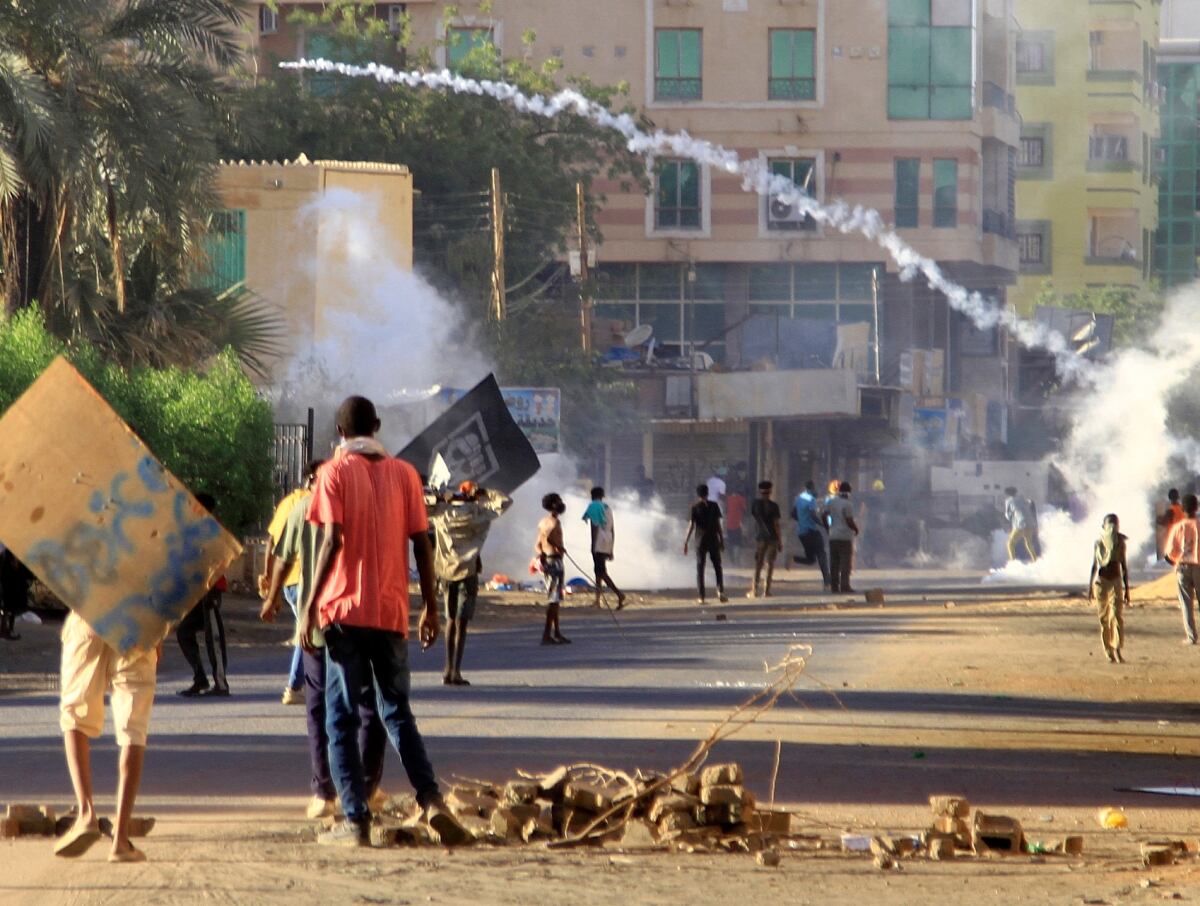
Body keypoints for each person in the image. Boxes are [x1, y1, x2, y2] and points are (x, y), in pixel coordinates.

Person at [300, 395, 468, 847]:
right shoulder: (405, 474)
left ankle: (355, 821)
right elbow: (422, 544)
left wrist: (311, 604)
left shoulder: (332, 474)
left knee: (340, 718)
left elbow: (332, 539)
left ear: (339, 433)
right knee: (397, 711)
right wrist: (431, 606)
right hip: (391, 612)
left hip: (342, 613)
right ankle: (431, 799)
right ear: (376, 426)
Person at [261, 457, 388, 821]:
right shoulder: (367, 506)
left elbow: (283, 558)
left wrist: (271, 599)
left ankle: (324, 793)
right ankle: (366, 787)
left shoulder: (302, 506)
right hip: (359, 619)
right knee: (365, 705)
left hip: (317, 624)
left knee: (319, 707)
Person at [55, 610, 159, 862]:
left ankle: (86, 813)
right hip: (139, 625)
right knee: (133, 730)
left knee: (75, 715)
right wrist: (159, 633)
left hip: (88, 617)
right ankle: (121, 840)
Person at [429, 480, 512, 682]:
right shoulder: (479, 513)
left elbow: (418, 501)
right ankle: (456, 670)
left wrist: (441, 497)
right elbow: (505, 501)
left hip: (446, 572)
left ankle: (447, 669)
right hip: (468, 572)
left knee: (450, 621)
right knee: (462, 624)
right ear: (473, 494)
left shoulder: (441, 513)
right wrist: (484, 492)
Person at [261, 467, 322, 705]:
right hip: (303, 578)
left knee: (305, 628)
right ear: (312, 479)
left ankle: (301, 684)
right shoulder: (310, 502)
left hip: (287, 580)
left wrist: (268, 577)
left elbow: (272, 541)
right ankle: (294, 685)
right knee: (306, 631)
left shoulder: (288, 502)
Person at [175, 493, 229, 697]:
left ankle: (221, 683)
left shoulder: (214, 528)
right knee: (184, 632)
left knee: (212, 637)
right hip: (195, 590)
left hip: (211, 589)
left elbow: (223, 557)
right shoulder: (192, 527)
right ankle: (200, 677)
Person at [1088, 513, 1129, 664]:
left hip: (1116, 582)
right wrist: (1089, 588)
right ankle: (1108, 650)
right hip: (1102, 581)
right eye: (1109, 524)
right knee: (1104, 618)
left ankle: (1117, 648)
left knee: (1116, 616)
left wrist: (1127, 589)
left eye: (1114, 524)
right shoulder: (1099, 543)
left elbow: (1123, 566)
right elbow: (1094, 565)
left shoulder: (1120, 543)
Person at [535, 493, 571, 645]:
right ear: (553, 504)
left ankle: (556, 632)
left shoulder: (542, 521)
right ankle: (546, 635)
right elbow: (547, 537)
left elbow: (537, 544)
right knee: (553, 600)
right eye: (559, 502)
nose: (561, 504)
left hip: (550, 561)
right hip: (554, 562)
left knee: (555, 600)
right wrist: (557, 547)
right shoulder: (554, 523)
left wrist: (541, 554)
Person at [581, 486, 626, 610]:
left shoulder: (594, 507)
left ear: (592, 496)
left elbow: (594, 527)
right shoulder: (608, 508)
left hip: (599, 541)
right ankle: (597, 600)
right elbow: (612, 529)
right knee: (598, 572)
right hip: (608, 539)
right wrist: (611, 548)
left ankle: (619, 594)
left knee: (601, 572)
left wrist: (593, 544)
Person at [1165, 493, 1200, 646]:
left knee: (1186, 603)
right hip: (1199, 566)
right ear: (1197, 508)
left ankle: (1191, 637)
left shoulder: (1178, 527)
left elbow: (1169, 553)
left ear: (1183, 508)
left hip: (1183, 567)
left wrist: (1176, 562)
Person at [684, 484, 728, 605]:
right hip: (713, 540)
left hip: (700, 541)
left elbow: (691, 526)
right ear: (707, 493)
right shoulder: (714, 506)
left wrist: (686, 542)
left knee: (700, 568)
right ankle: (720, 591)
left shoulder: (694, 508)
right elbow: (719, 526)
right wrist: (722, 541)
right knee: (717, 567)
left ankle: (701, 597)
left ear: (698, 495)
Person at [791, 481, 831, 589]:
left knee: (811, 559)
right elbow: (813, 515)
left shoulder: (798, 498)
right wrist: (822, 524)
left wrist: (802, 520)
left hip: (802, 533)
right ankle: (827, 581)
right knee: (822, 554)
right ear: (812, 488)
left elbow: (793, 514)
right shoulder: (811, 499)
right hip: (811, 531)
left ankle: (792, 558)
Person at [748, 481, 781, 598]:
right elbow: (776, 524)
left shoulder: (755, 504)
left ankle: (754, 590)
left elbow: (754, 519)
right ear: (770, 491)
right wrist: (780, 540)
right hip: (773, 538)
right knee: (770, 564)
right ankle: (766, 590)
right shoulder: (774, 506)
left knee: (758, 564)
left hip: (760, 538)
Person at [826, 482, 860, 594]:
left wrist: (828, 528)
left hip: (833, 536)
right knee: (846, 563)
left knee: (834, 563)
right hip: (845, 537)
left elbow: (823, 515)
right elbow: (849, 520)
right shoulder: (848, 504)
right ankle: (845, 586)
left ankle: (834, 587)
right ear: (848, 492)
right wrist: (856, 529)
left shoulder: (831, 502)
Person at [0, 545, 34, 640]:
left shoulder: (7, 551)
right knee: (9, 607)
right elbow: (14, 566)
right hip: (11, 582)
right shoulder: (9, 552)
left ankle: (8, 630)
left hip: (10, 581)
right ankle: (5, 630)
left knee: (10, 608)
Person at [1003, 487, 1039, 563]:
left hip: (1020, 524)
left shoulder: (1008, 501)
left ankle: (1013, 562)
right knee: (1029, 543)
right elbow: (1030, 504)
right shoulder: (1022, 499)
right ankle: (1035, 560)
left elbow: (1008, 515)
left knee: (1010, 543)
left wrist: (1010, 517)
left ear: (1007, 494)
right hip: (1030, 523)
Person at [1157, 489, 1185, 562]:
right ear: (1178, 497)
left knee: (1170, 558)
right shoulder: (1182, 509)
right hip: (1182, 538)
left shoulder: (1171, 510)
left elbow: (1164, 522)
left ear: (1169, 498)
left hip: (1173, 540)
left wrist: (1158, 519)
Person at [724, 486, 748, 568]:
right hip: (737, 524)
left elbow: (726, 511)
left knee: (731, 543)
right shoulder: (741, 499)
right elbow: (745, 511)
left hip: (729, 524)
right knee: (737, 543)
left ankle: (732, 562)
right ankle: (737, 561)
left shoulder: (729, 499)